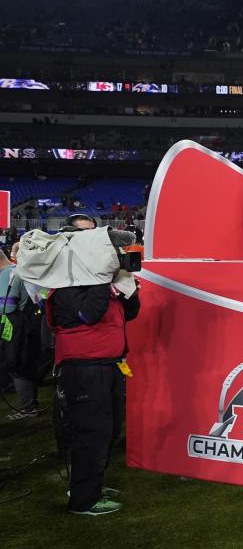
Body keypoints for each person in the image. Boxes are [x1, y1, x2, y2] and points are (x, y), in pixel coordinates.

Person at [49, 214, 141, 515]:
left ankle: (90, 486)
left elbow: (129, 314)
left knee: (109, 430)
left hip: (109, 365)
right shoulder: (65, 284)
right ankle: (83, 499)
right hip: (84, 369)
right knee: (91, 432)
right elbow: (89, 314)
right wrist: (104, 280)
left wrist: (128, 290)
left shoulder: (100, 279)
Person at [1, 245, 40, 420]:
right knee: (24, 363)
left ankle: (27, 407)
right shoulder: (17, 270)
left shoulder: (7, 275)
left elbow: (6, 307)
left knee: (17, 364)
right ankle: (29, 404)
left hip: (15, 325)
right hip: (29, 323)